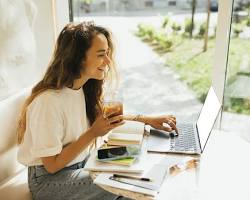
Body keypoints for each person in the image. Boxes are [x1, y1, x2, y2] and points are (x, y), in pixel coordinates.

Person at [17, 21, 178, 200]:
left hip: (83, 163)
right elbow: (52, 166)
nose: (108, 61)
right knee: (129, 181)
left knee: (140, 158)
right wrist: (93, 133)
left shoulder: (83, 88)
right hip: (49, 181)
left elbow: (107, 119)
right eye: (101, 55)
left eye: (107, 54)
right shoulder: (48, 102)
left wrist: (147, 120)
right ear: (78, 57)